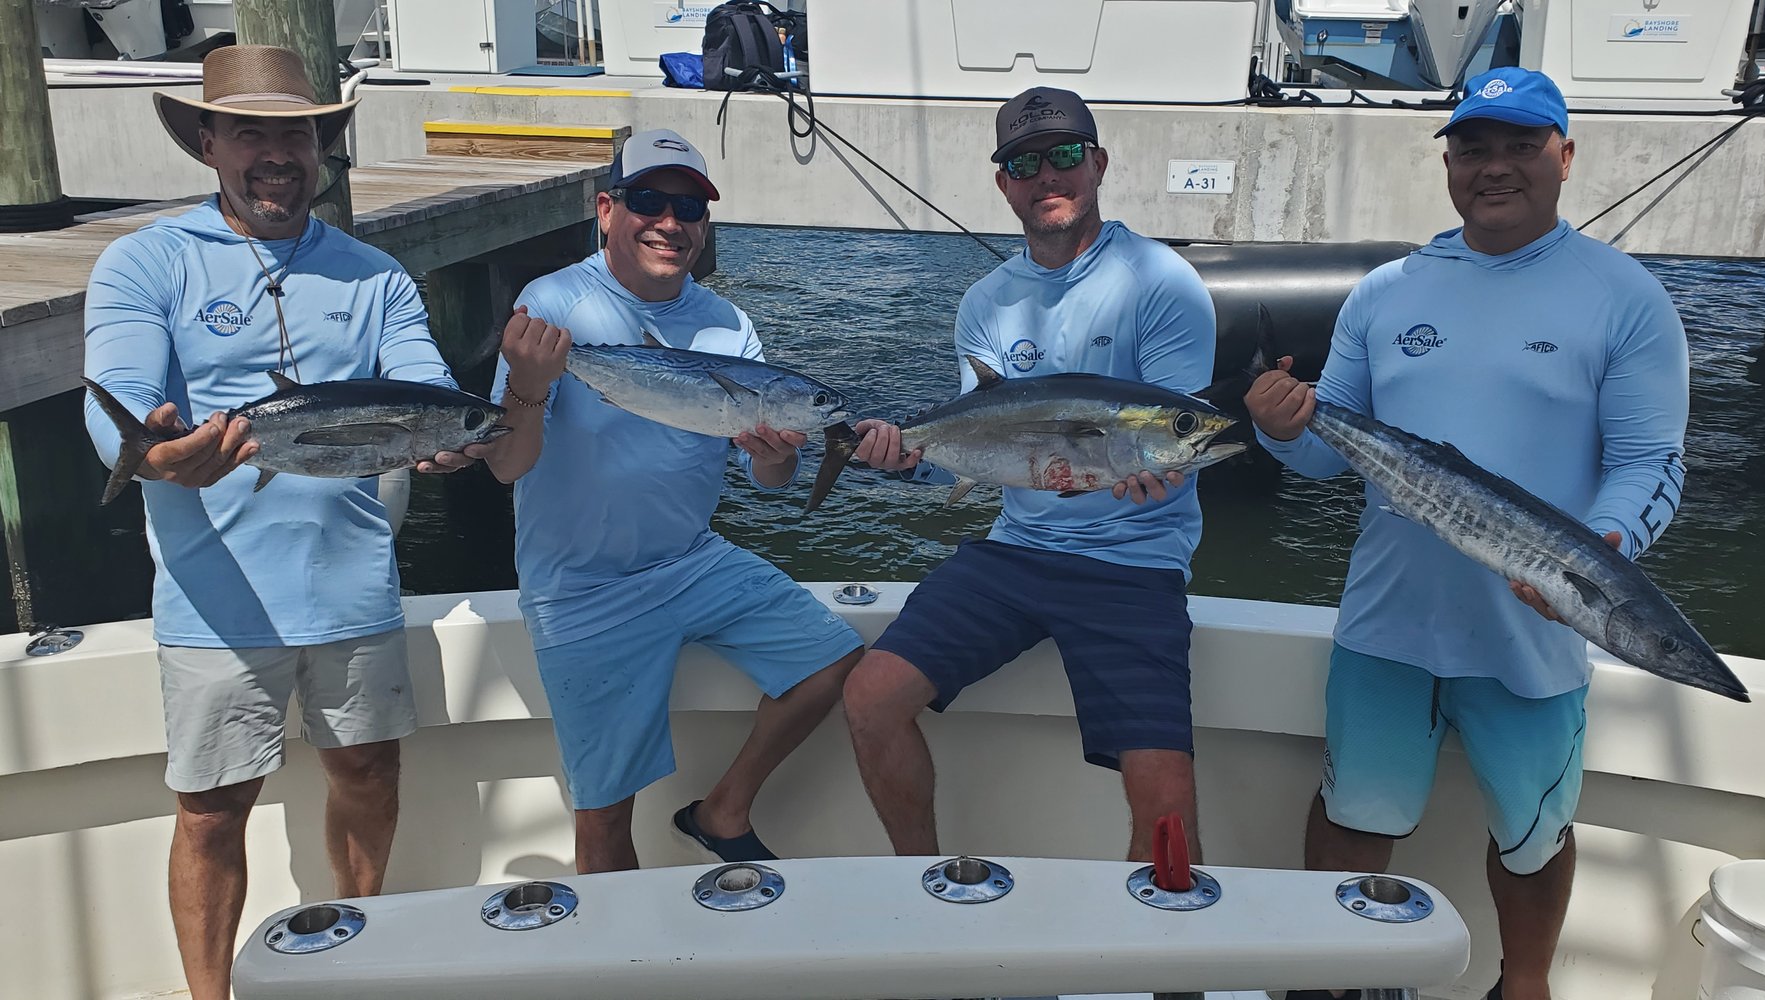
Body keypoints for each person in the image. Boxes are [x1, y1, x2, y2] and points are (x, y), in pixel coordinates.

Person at [1243, 68, 1690, 1000]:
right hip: (1387, 623)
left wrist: (1597, 555)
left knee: (1532, 833)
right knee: (1354, 813)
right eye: (1472, 147)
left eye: (1519, 145)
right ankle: (1326, 974)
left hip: (1536, 629)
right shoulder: (1385, 292)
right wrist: (1279, 429)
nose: (1494, 167)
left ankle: (1522, 984)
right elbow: (1334, 455)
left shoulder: (1625, 297)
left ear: (1563, 156)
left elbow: (1653, 461)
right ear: (1448, 162)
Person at [81, 45, 482, 1000]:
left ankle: (361, 954)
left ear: (321, 146)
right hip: (215, 596)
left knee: (369, 774)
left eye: (294, 133)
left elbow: (423, 383)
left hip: (353, 585)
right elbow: (117, 411)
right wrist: (157, 456)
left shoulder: (374, 274)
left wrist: (449, 432)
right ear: (208, 142)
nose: (275, 153)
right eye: (251, 131)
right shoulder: (147, 260)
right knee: (212, 811)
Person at [842, 87, 1218, 863]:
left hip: (1132, 560)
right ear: (1003, 183)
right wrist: (905, 458)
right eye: (1023, 162)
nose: (1046, 174)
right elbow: (983, 442)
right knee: (870, 698)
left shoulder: (1161, 281)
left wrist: (1164, 475)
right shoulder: (985, 303)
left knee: (1165, 793)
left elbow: (1176, 437)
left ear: (1098, 163)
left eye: (1065, 155)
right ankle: (923, 882)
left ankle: (1162, 961)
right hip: (1014, 549)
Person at [477, 128, 864, 874]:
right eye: (649, 200)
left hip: (692, 561)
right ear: (606, 209)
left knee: (832, 660)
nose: (670, 222)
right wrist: (527, 381)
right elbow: (507, 466)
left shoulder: (728, 325)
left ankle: (723, 809)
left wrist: (778, 454)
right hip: (581, 587)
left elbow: (768, 481)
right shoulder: (552, 303)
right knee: (602, 820)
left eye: (689, 208)